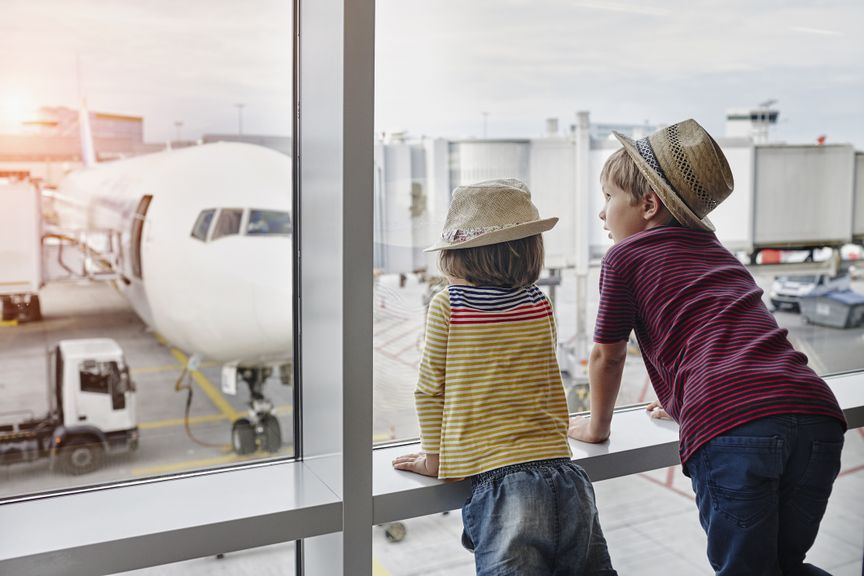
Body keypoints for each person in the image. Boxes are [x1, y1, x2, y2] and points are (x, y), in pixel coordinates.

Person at [568, 119, 847, 575]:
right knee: (784, 564)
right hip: (815, 414)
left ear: (648, 205)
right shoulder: (718, 253)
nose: (602, 213)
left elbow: (608, 354)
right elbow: (728, 334)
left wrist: (597, 428)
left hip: (734, 430)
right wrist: (682, 397)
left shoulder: (624, 256)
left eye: (608, 197)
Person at [393, 178, 617, 575]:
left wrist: (434, 457)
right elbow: (547, 380)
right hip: (566, 477)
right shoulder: (539, 303)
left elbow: (430, 390)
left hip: (503, 486)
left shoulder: (449, 305)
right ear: (531, 250)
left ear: (458, 253)